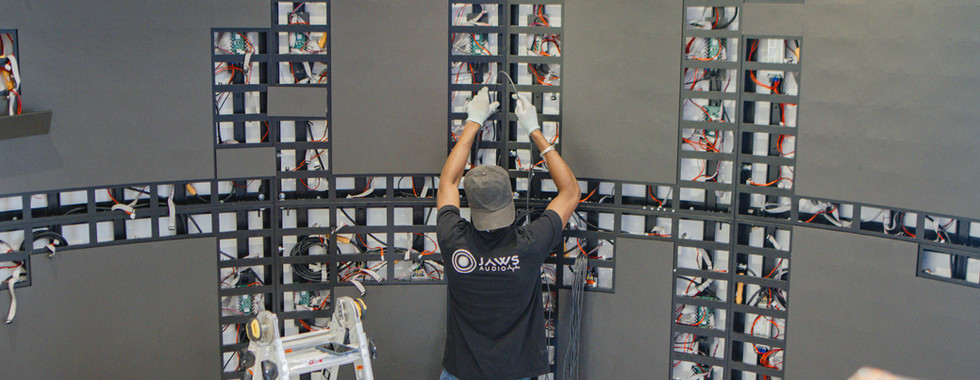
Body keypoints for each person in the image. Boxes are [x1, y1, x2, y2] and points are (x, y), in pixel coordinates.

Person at [435, 87, 580, 380]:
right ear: (510, 200)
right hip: (514, 372)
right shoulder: (529, 245)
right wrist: (535, 131)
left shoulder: (453, 239)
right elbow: (571, 192)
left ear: (471, 205)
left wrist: (473, 122)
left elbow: (448, 182)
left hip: (460, 372)